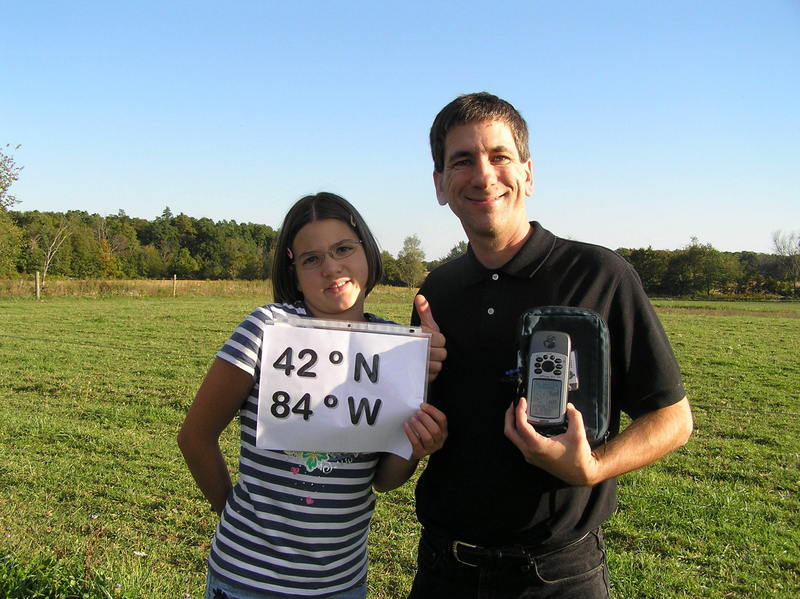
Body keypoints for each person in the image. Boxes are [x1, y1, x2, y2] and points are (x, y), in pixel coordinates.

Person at [408, 92, 693, 599]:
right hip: (443, 571)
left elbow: (672, 419)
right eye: (462, 161)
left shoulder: (601, 276)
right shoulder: (435, 293)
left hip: (558, 577)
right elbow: (413, 427)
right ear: (440, 185)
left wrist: (592, 467)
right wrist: (414, 377)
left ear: (529, 174)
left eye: (500, 156)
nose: (483, 174)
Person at [178, 192, 447, 599]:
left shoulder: (396, 349)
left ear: (367, 252)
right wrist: (229, 512)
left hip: (342, 584)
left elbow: (384, 480)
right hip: (246, 582)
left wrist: (416, 446)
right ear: (295, 270)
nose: (331, 268)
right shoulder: (267, 328)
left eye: (343, 249)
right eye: (311, 259)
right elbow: (195, 437)